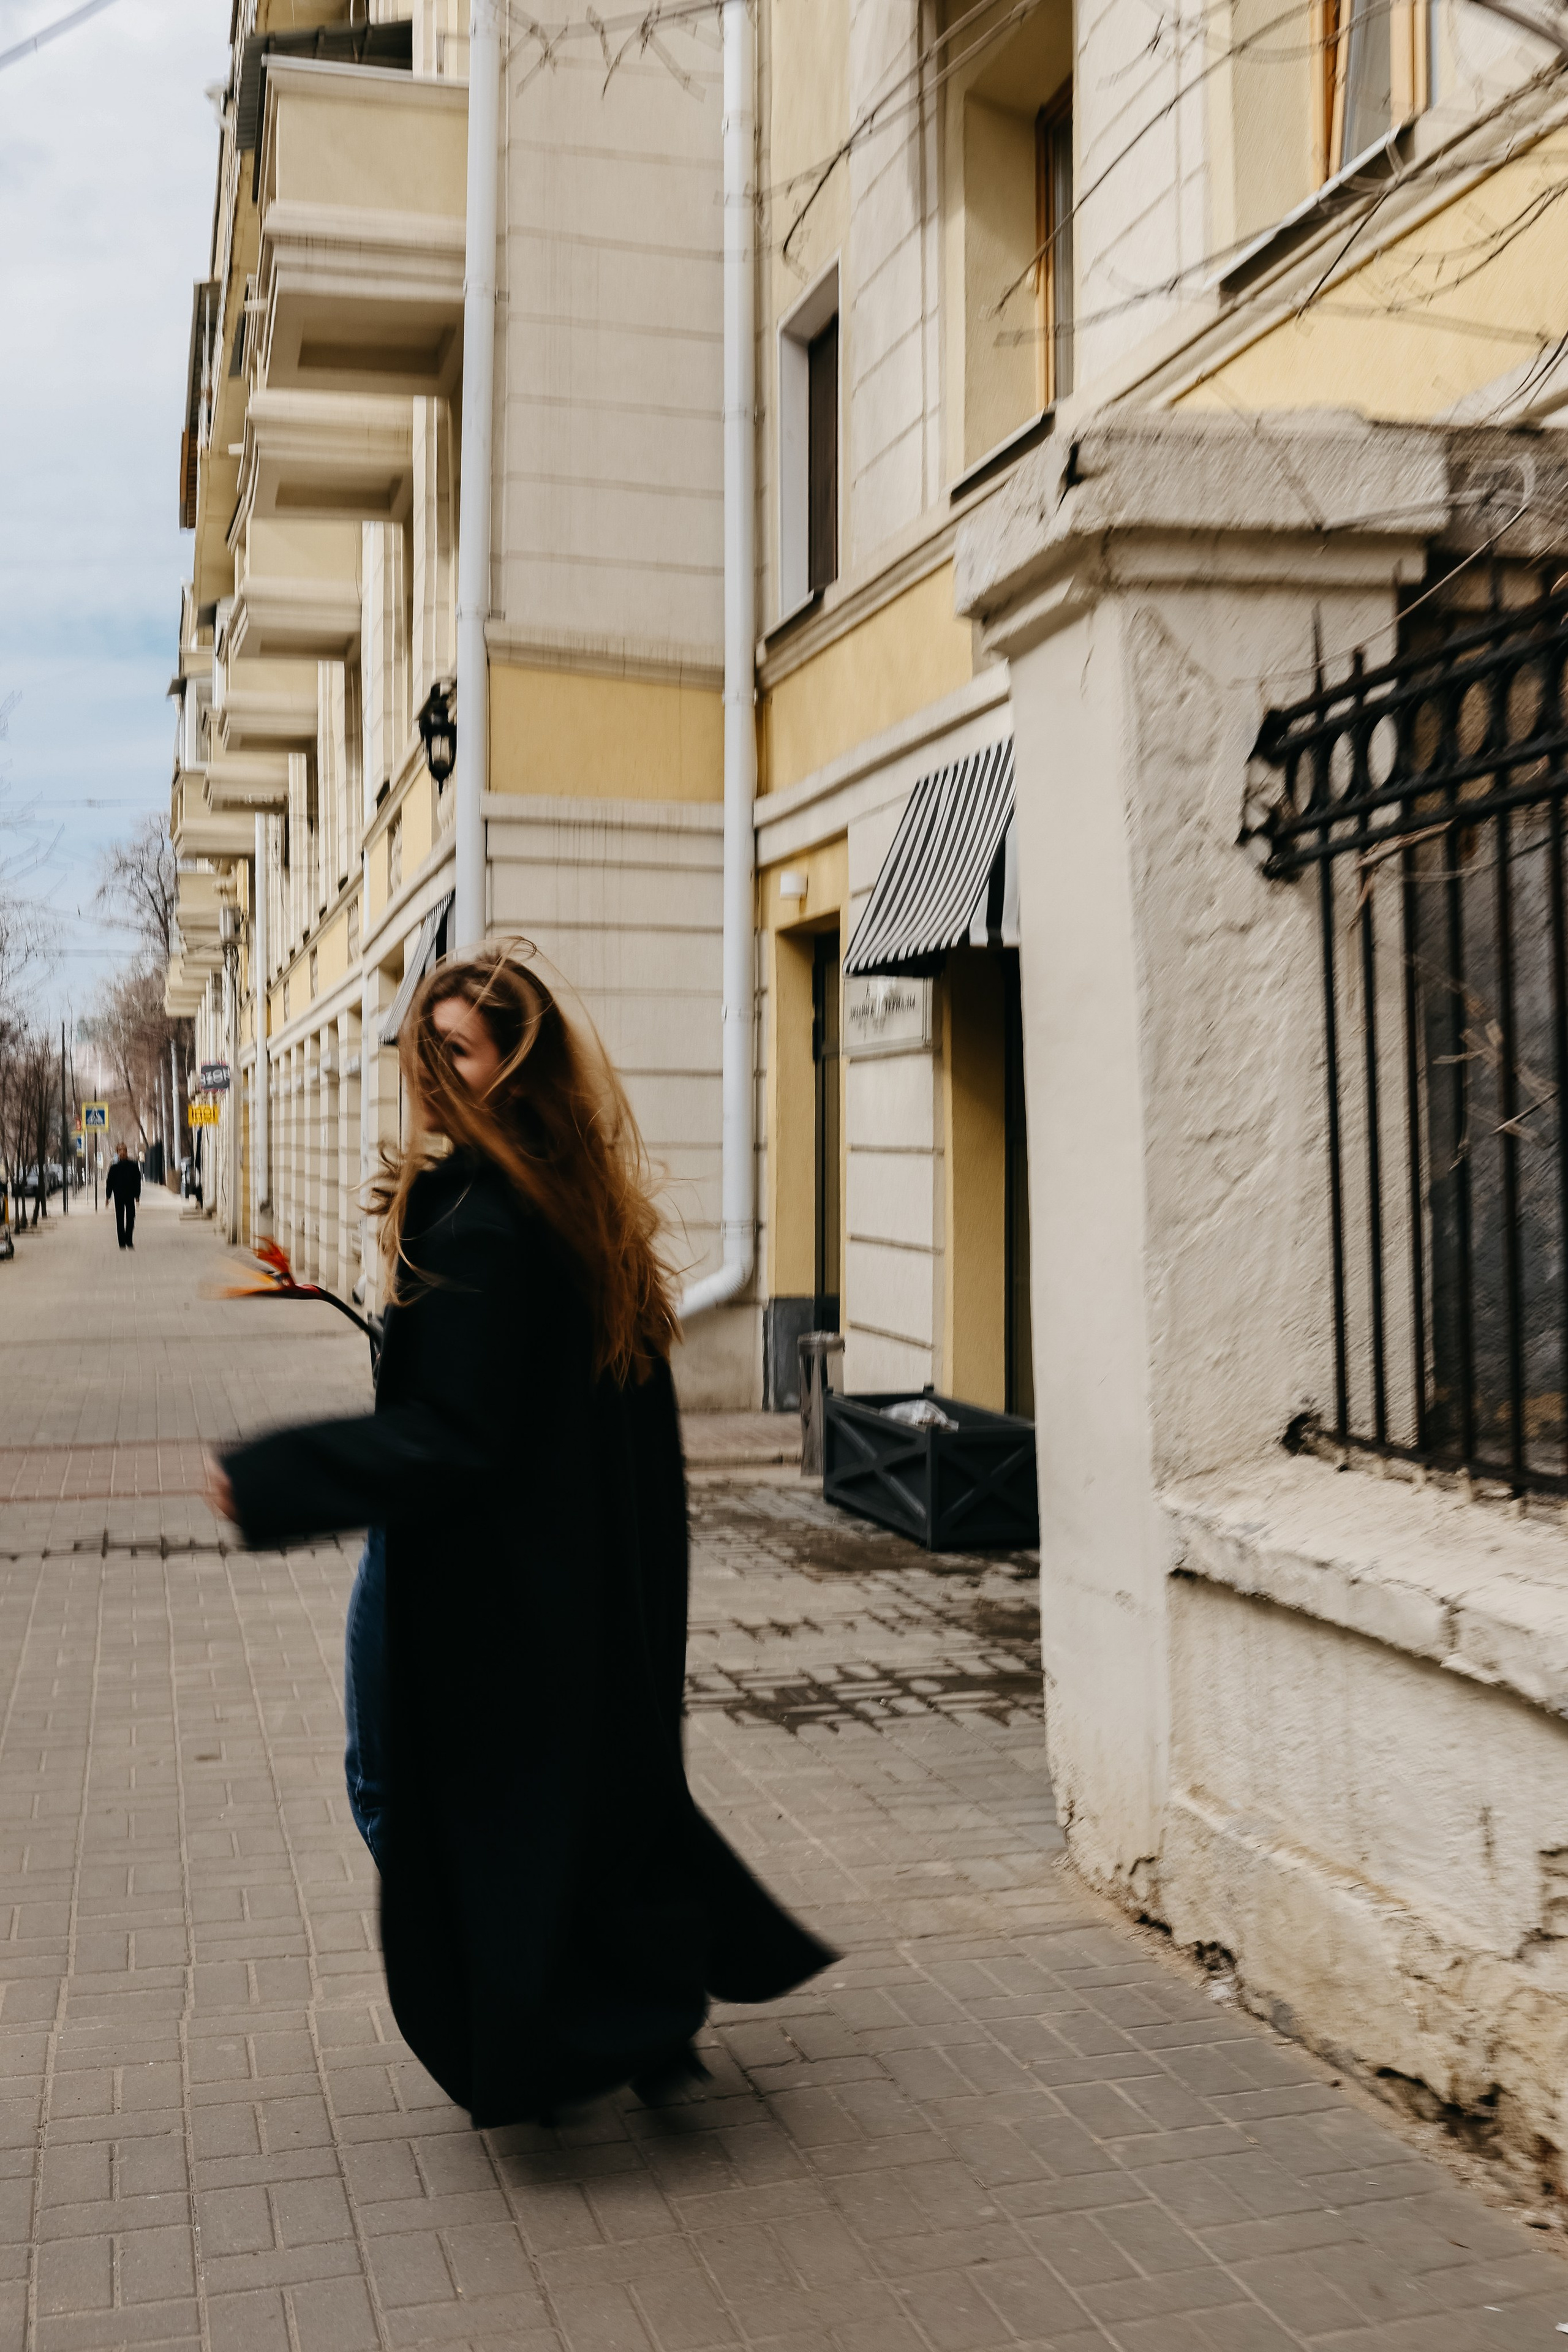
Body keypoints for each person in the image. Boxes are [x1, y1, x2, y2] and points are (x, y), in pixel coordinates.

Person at [206, 945, 832, 2127]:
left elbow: (458, 1434)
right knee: (559, 1793)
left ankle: (523, 2001)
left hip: (460, 1555)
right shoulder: (571, 1203)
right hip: (559, 1567)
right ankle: (604, 2001)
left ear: (511, 1070)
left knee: (396, 1787)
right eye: (425, 1049)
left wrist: (280, 1477)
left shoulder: (478, 1218)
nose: (432, 1073)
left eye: (457, 1050)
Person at [104, 1143, 141, 1250]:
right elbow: (109, 1183)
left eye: (124, 1150)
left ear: (126, 1152)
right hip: (119, 1197)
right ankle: (122, 1243)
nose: (122, 1153)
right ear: (118, 1153)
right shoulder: (114, 1168)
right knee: (120, 1219)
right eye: (120, 1151)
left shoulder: (133, 1166)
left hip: (130, 1196)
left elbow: (137, 1181)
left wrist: (137, 1196)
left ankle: (128, 1240)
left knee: (131, 1218)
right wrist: (108, 1197)